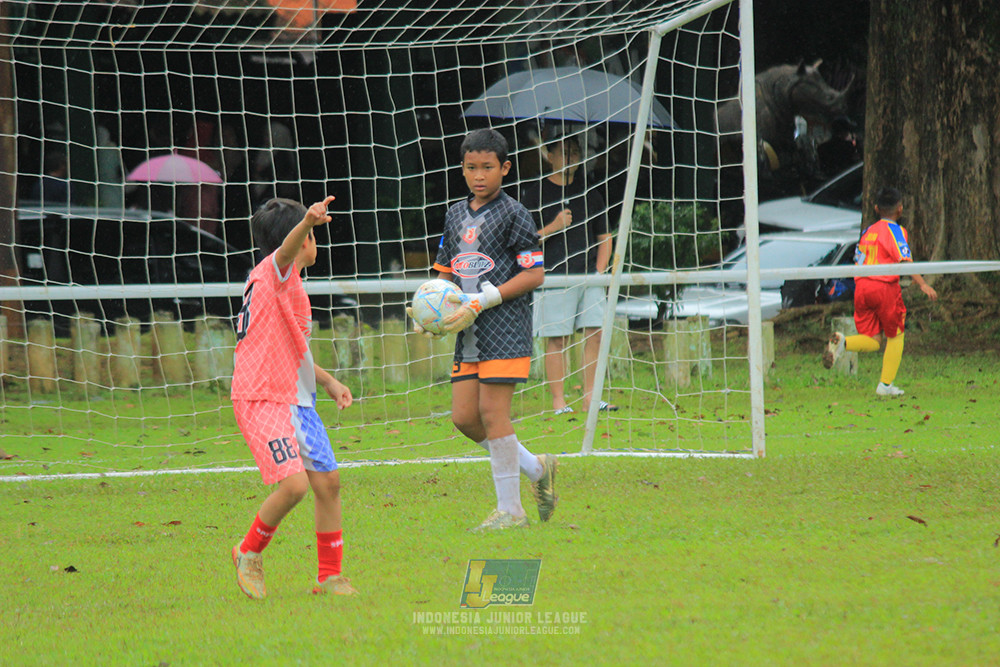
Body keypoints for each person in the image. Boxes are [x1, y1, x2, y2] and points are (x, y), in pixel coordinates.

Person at [415, 128, 557, 532]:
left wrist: (487, 298)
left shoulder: (515, 214)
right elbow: (444, 272)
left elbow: (534, 274)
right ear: (462, 170)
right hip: (468, 335)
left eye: (488, 167)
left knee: (493, 414)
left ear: (505, 168)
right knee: (464, 417)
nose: (480, 175)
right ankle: (536, 467)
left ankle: (510, 511)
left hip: (505, 329)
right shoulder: (456, 214)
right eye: (471, 168)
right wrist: (431, 310)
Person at [230, 195, 358, 598]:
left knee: (328, 483)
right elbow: (285, 249)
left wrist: (328, 381)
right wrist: (307, 221)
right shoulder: (274, 272)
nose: (313, 238)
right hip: (262, 397)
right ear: (300, 238)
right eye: (310, 234)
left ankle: (330, 576)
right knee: (295, 487)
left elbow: (292, 352)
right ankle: (248, 552)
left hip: (296, 399)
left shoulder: (290, 284)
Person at [520, 129, 616, 415]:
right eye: (564, 152)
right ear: (549, 157)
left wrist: (598, 273)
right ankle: (559, 402)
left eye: (575, 152)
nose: (571, 157)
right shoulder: (535, 193)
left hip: (588, 277)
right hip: (553, 277)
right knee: (557, 339)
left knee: (595, 334)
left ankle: (590, 398)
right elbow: (524, 241)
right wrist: (554, 226)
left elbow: (605, 237)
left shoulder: (590, 191)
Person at [823, 187, 938, 396]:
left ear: (876, 208)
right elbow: (906, 260)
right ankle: (885, 385)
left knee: (873, 340)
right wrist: (922, 284)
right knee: (896, 334)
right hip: (883, 287)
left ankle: (844, 342)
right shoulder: (895, 231)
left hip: (862, 287)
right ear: (900, 209)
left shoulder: (868, 232)